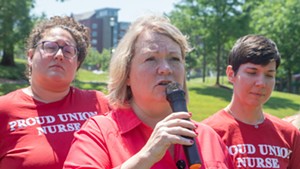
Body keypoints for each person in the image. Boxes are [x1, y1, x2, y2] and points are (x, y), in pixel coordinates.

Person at [63, 15, 234, 169]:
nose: (166, 69)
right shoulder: (98, 132)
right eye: (151, 58)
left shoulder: (208, 137)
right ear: (126, 74)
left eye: (175, 59)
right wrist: (146, 156)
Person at [0, 16, 110, 169]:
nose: (59, 55)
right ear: (30, 57)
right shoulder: (4, 109)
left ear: (77, 64)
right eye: (50, 47)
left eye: (68, 50)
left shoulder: (100, 104)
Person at [202, 34, 300, 169]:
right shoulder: (208, 133)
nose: (261, 83)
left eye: (269, 75)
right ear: (231, 74)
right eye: (252, 72)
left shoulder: (290, 134)